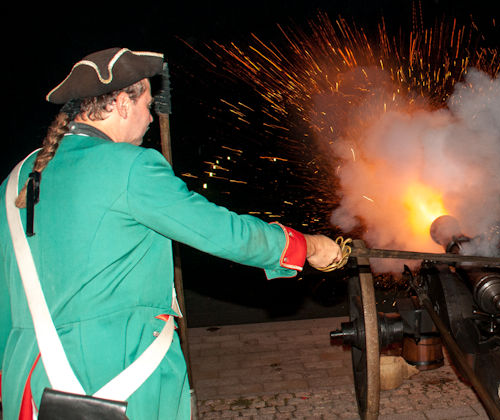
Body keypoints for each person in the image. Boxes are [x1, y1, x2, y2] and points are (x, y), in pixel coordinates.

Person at [0, 47, 342, 420]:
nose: (150, 118)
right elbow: (221, 231)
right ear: (120, 103)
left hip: (29, 384)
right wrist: (304, 245)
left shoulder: (15, 179)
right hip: (114, 378)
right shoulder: (130, 167)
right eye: (147, 104)